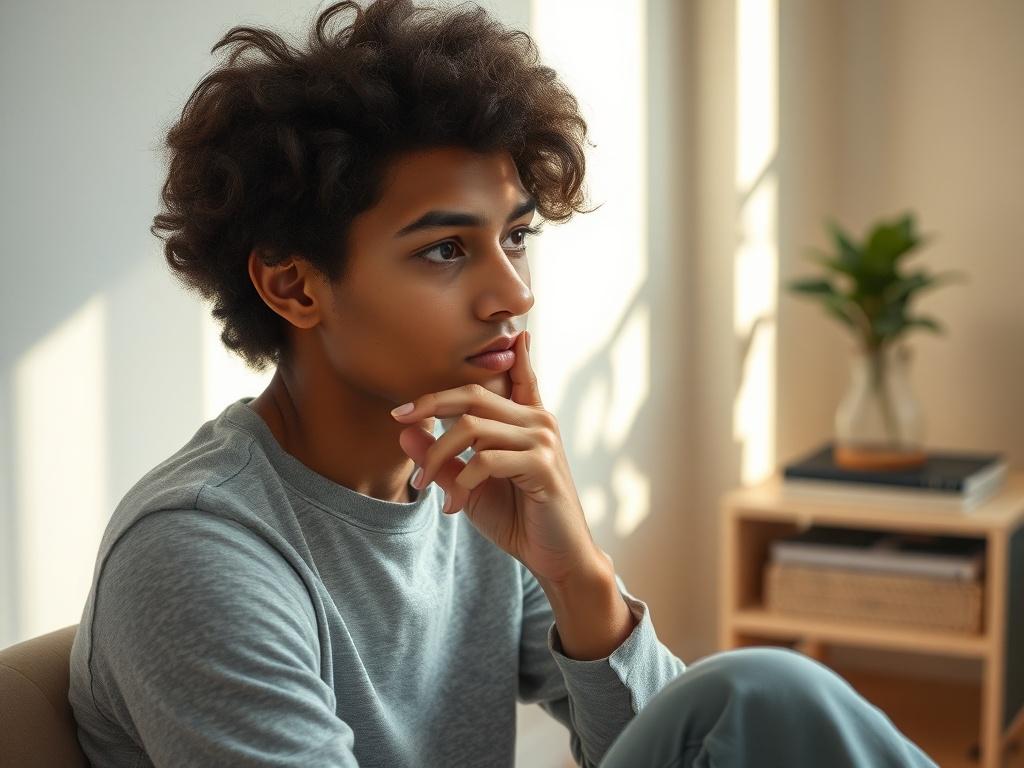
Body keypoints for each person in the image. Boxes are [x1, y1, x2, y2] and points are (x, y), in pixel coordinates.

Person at [68, 1, 939, 766]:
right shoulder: (198, 552)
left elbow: (674, 754)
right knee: (760, 694)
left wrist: (576, 573)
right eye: (446, 249)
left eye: (515, 237)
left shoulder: (469, 483)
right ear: (295, 286)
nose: (514, 294)